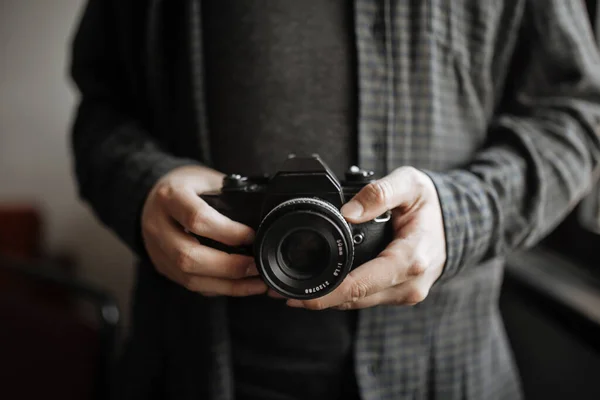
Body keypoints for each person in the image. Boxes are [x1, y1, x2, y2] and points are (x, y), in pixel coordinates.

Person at [69, 1, 600, 399]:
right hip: (189, 370)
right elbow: (100, 107)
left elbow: (576, 115)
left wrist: (461, 215)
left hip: (448, 370)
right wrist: (145, 185)